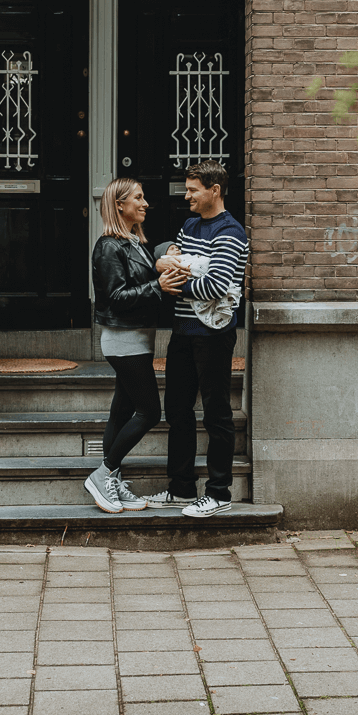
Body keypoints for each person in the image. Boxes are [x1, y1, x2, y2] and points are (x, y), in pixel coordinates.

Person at [144, 160, 250, 518]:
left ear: (214, 190)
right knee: (177, 409)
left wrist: (177, 280)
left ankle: (219, 492)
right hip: (182, 332)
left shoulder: (231, 231)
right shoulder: (190, 225)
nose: (186, 195)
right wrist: (177, 267)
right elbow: (166, 259)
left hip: (214, 335)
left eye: (193, 189)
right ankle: (181, 488)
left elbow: (216, 285)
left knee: (216, 413)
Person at [87, 177, 183, 514]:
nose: (145, 204)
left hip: (136, 338)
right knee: (150, 412)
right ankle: (103, 474)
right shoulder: (109, 246)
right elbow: (115, 298)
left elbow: (153, 259)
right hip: (123, 340)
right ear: (119, 205)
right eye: (138, 198)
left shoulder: (132, 242)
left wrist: (168, 252)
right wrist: (157, 286)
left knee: (122, 410)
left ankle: (112, 478)